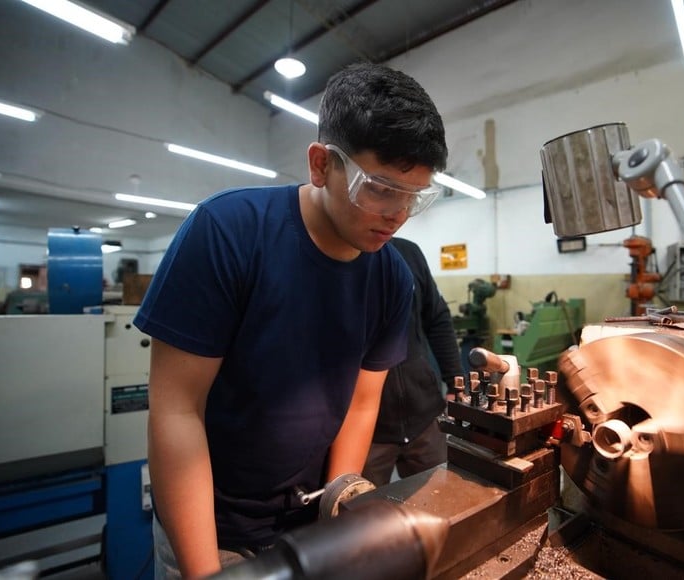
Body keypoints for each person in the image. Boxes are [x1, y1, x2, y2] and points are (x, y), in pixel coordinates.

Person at [134, 62, 448, 578]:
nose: (398, 214)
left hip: (309, 524)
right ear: (322, 165)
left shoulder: (391, 275)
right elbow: (175, 410)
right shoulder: (228, 232)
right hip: (212, 527)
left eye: (414, 195)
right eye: (381, 189)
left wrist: (341, 495)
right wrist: (205, 570)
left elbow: (361, 402)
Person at [362, 237, 463, 486]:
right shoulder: (335, 261)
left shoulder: (409, 252)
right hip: (365, 432)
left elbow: (437, 317)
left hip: (425, 419)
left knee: (444, 502)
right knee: (363, 518)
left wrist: (454, 382)